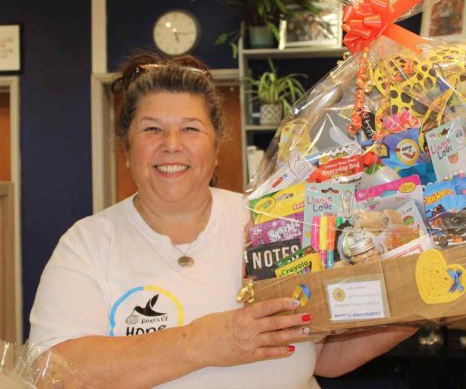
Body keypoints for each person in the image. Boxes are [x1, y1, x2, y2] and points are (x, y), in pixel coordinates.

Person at [29, 52, 416, 388]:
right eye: (152, 129)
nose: (172, 144)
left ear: (216, 150)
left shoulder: (276, 219)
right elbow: (54, 374)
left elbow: (323, 355)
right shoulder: (87, 244)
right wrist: (202, 342)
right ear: (126, 150)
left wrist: (416, 308)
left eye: (191, 129)